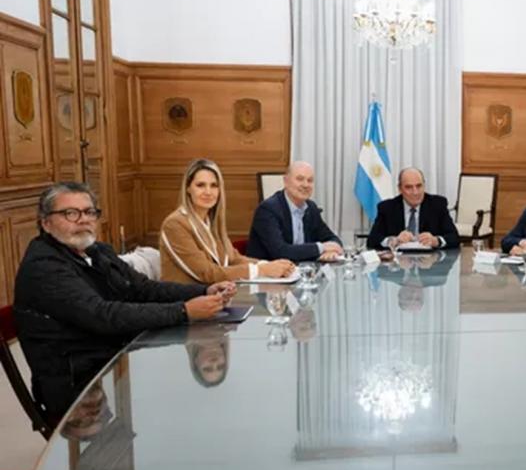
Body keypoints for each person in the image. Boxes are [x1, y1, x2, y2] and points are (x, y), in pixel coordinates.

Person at [14, 182, 233, 424]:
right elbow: (103, 315)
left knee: (190, 395)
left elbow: (143, 289)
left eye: (89, 212)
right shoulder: (44, 266)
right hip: (77, 386)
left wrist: (203, 290)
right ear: (46, 223)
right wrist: (184, 311)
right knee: (177, 404)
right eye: (70, 213)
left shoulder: (97, 251)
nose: (83, 220)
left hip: (112, 357)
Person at [160, 158, 294, 284]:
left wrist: (270, 265)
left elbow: (233, 258)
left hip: (214, 294)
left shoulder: (210, 221)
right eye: (200, 185)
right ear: (188, 188)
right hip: (186, 298)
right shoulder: (175, 224)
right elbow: (207, 273)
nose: (208, 192)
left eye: (214, 185)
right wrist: (261, 270)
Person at [246, 161, 343, 262]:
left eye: (310, 180)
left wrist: (331, 251)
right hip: (268, 270)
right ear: (286, 181)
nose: (305, 185)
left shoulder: (311, 208)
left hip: (301, 269)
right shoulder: (268, 209)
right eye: (300, 179)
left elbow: (332, 239)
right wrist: (322, 248)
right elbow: (280, 251)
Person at [367, 167, 459, 250]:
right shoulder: (387, 208)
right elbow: (372, 240)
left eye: (419, 186)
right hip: (398, 261)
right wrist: (393, 241)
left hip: (431, 260)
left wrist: (436, 241)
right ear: (400, 189)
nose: (415, 192)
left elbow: (454, 238)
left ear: (424, 185)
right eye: (409, 187)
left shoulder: (437, 205)